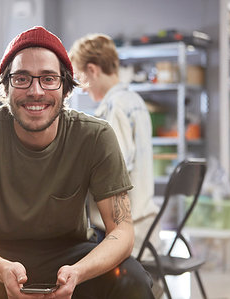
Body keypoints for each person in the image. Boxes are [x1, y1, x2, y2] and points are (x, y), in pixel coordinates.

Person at [0, 26, 154, 299]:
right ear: (7, 85)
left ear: (65, 87)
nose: (35, 91)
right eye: (22, 78)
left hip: (72, 253)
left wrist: (79, 272)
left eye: (48, 79)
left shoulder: (96, 135)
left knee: (133, 279)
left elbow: (123, 231)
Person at [68, 33, 160, 258]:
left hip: (125, 231)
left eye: (80, 77)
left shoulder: (115, 107)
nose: (82, 87)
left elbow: (114, 169)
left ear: (93, 70)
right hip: (145, 221)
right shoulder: (134, 101)